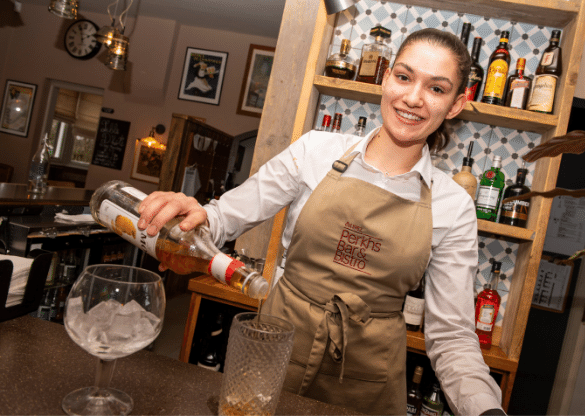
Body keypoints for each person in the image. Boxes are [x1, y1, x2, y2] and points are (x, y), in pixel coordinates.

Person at [137, 28, 505, 415]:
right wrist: (191, 217)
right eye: (404, 77)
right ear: (385, 77)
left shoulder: (453, 205)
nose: (412, 98)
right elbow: (222, 218)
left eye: (436, 88)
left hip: (368, 383)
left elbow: (452, 337)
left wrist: (486, 410)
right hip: (275, 352)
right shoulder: (315, 150)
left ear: (456, 104)